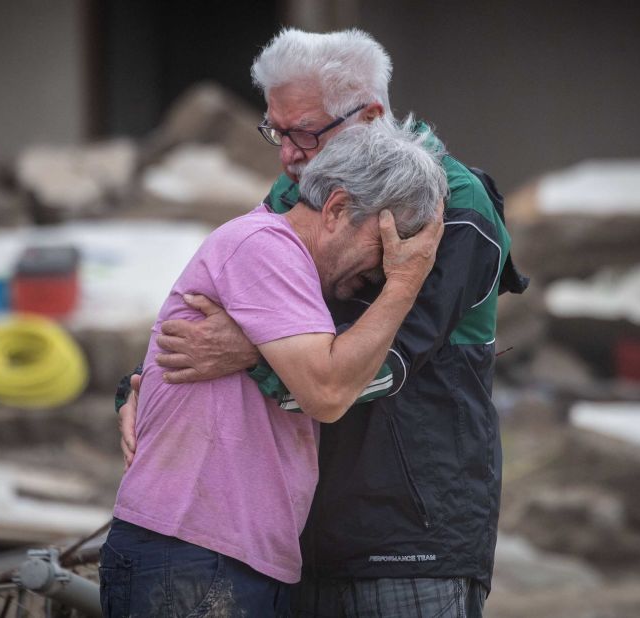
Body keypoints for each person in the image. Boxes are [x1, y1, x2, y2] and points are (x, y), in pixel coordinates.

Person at [116, 29, 526, 616]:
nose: (287, 153)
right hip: (293, 539)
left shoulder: (451, 206)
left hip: (409, 541)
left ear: (372, 114)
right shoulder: (295, 192)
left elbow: (380, 362)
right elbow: (223, 295)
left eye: (304, 132)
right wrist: (146, 381)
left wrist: (251, 348)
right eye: (276, 131)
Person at [101, 122, 447, 617]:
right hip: (195, 552)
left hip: (228, 556)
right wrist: (405, 283)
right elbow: (327, 391)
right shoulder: (265, 247)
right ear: (337, 209)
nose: (383, 269)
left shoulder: (287, 267)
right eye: (384, 247)